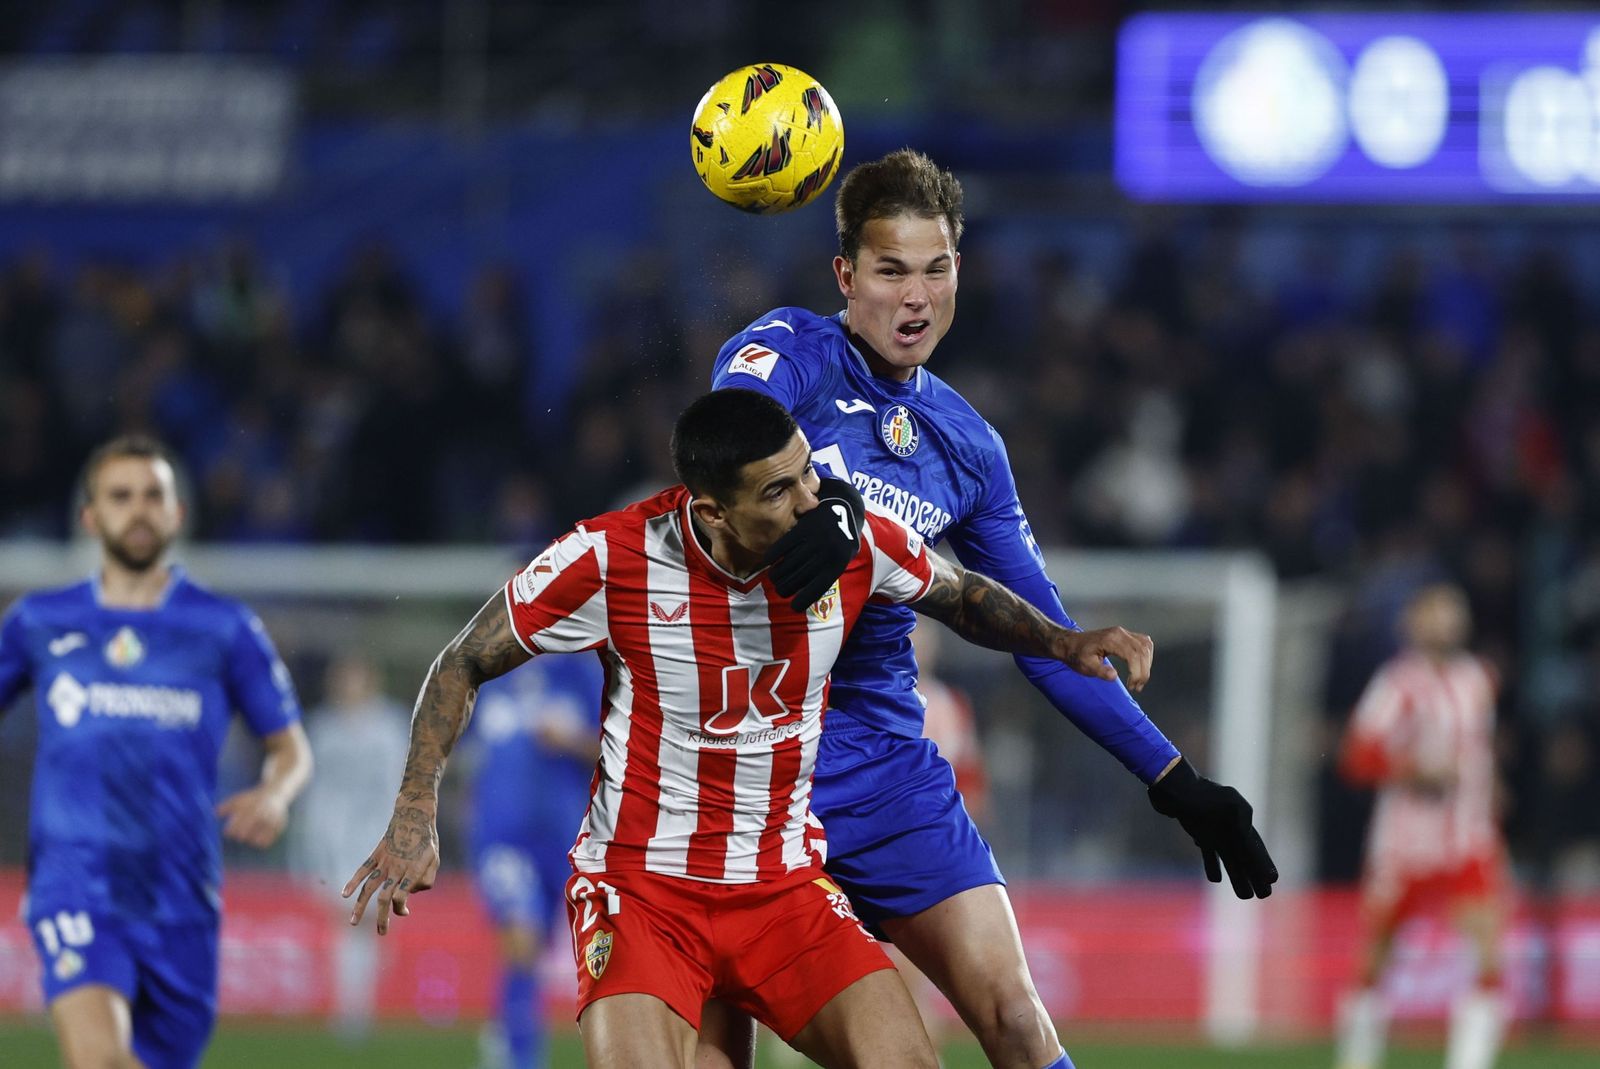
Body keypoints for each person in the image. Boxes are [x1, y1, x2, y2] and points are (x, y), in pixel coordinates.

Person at [343, 389, 1156, 1069]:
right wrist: (415, 809)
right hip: (645, 890)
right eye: (777, 492)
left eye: (807, 474)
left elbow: (960, 594)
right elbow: (462, 659)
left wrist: (1064, 641)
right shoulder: (611, 558)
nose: (809, 503)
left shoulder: (851, 543)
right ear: (712, 510)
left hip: (783, 888)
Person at [709, 148, 1278, 1069]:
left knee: (1017, 1017)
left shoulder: (969, 447)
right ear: (845, 275)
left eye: (936, 270)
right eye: (890, 271)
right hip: (742, 756)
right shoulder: (789, 354)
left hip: (881, 765)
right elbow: (728, 442)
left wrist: (1173, 778)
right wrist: (825, 503)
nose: (916, 298)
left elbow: (1046, 635)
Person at [0, 435, 313, 1069]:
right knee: (100, 1060)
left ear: (177, 514)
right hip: (76, 882)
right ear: (91, 517)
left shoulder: (223, 627)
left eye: (153, 496)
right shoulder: (39, 621)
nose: (138, 510)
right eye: (120, 497)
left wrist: (275, 794)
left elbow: (291, 749)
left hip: (182, 895)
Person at [1335, 583, 1509, 1069]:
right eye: (1434, 613)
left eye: (1453, 612)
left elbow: (1479, 750)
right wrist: (1416, 771)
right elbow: (1357, 756)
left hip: (1467, 837)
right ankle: (1358, 1056)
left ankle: (1470, 1062)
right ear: (1412, 623)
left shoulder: (1478, 679)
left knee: (1488, 947)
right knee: (1378, 951)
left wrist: (1493, 793)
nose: (1446, 622)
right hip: (1405, 843)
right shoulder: (1397, 684)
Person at [464, 654, 603, 1069]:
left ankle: (508, 1030)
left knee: (537, 948)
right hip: (503, 835)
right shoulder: (489, 672)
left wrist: (571, 741)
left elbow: (618, 750)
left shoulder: (581, 674)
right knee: (521, 938)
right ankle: (519, 1056)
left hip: (563, 837)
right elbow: (455, 745)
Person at [288, 653, 409, 1042]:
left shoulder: (390, 727)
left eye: (355, 677)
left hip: (377, 833)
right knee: (349, 919)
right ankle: (352, 1012)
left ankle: (360, 1006)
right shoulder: (323, 729)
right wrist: (308, 842)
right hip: (335, 835)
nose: (348, 686)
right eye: (343, 678)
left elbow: (401, 783)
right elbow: (312, 789)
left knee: (371, 922)